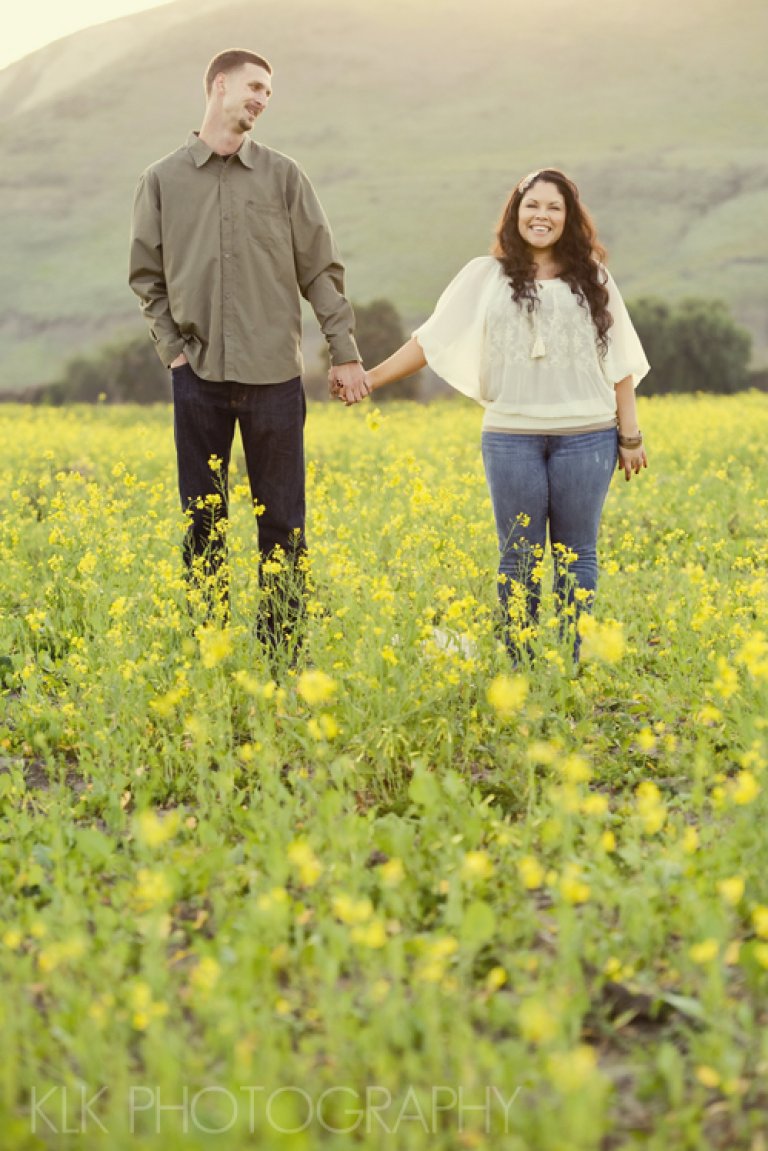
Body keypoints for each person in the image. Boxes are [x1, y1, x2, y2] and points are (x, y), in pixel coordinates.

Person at [333, 169, 649, 664]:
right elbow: (429, 339)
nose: (541, 215)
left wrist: (629, 436)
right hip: (511, 437)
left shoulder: (594, 278)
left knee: (577, 554)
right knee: (518, 556)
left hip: (587, 435)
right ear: (515, 213)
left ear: (568, 219)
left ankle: (570, 663)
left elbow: (621, 361)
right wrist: (371, 378)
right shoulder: (485, 276)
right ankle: (519, 664)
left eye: (553, 208)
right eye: (532, 205)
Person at [129, 48, 368, 651]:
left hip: (274, 380)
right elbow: (146, 277)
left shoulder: (285, 176)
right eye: (254, 86)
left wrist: (344, 353)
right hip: (197, 376)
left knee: (284, 524)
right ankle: (208, 648)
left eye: (269, 91)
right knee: (202, 523)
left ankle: (282, 655)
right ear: (218, 85)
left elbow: (320, 272)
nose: (263, 98)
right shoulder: (162, 179)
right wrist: (173, 354)